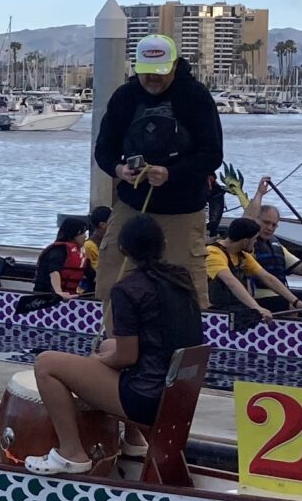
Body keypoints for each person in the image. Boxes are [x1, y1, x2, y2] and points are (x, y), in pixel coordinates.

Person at [21, 213, 205, 475]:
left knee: (46, 363)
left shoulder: (128, 289)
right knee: (109, 345)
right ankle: (134, 441)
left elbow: (127, 358)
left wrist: (97, 362)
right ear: (163, 243)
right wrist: (107, 355)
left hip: (146, 398)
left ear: (124, 250)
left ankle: (71, 453)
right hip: (177, 394)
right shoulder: (182, 279)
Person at [91, 34, 224, 312]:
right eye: (147, 72)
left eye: (160, 72)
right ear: (137, 68)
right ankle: (116, 343)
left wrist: (171, 174)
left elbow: (212, 155)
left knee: (185, 289)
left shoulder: (196, 97)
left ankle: (179, 348)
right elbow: (103, 150)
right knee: (113, 279)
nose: (153, 79)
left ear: (174, 66)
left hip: (182, 210)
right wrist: (118, 169)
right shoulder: (124, 97)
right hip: (131, 205)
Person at [208, 217, 302, 327]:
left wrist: (297, 302)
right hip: (217, 311)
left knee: (281, 305)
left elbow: (267, 277)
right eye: (254, 239)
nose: (255, 243)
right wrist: (257, 308)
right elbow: (231, 282)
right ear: (245, 241)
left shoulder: (242, 254)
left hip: (237, 307)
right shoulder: (214, 253)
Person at [247, 196, 302, 284]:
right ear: (256, 221)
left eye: (274, 225)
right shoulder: (246, 243)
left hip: (280, 294)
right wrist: (260, 194)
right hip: (256, 295)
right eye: (266, 222)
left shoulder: (276, 246)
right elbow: (248, 219)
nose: (269, 228)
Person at [32, 216, 93, 299]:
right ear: (76, 234)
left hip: (68, 296)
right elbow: (54, 271)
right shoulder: (59, 250)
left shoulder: (80, 255)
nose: (85, 237)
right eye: (83, 233)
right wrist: (59, 292)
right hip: (45, 295)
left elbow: (92, 275)